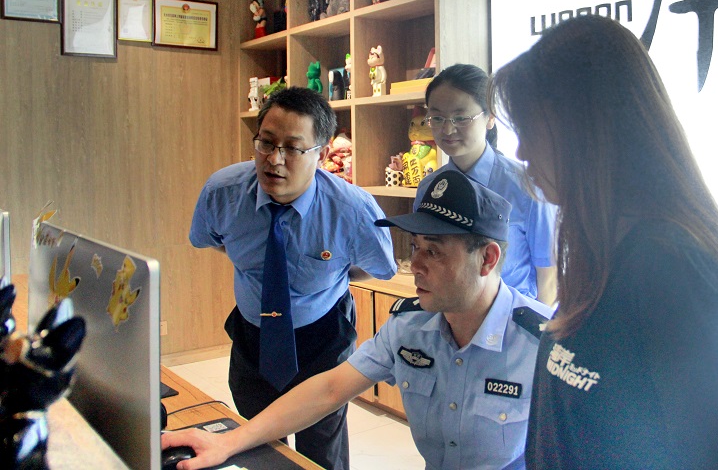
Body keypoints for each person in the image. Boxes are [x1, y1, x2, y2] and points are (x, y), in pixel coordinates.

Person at [489, 15, 718, 469]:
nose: (521, 152)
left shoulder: (671, 266)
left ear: (585, 130)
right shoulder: (599, 246)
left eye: (530, 130)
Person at [166, 170, 553, 470]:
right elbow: (330, 389)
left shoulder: (547, 345)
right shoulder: (409, 328)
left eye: (433, 252)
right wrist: (228, 441)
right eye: (415, 247)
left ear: (487, 259)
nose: (415, 264)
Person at [188, 86, 396, 470]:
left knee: (322, 449)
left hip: (322, 336)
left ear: (322, 153)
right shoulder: (223, 192)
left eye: (293, 148)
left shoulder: (353, 211)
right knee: (259, 445)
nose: (274, 159)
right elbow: (211, 241)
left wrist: (329, 273)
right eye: (266, 143)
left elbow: (378, 267)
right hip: (253, 334)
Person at [415, 64, 558, 305]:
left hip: (511, 319)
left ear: (490, 117)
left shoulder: (528, 187)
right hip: (448, 317)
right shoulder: (429, 188)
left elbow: (549, 277)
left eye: (461, 118)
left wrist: (535, 327)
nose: (448, 129)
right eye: (437, 118)